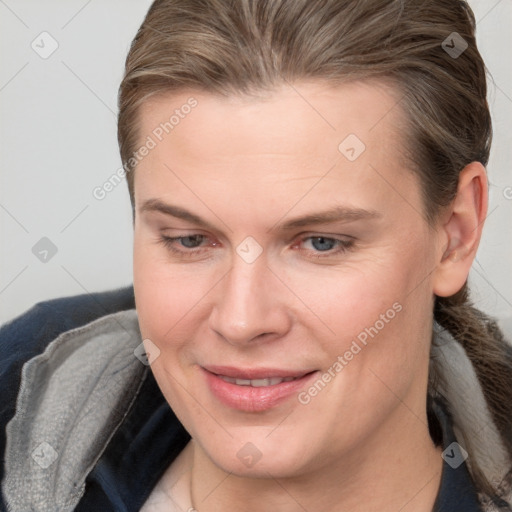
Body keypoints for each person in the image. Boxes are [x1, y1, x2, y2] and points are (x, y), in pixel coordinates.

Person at [1, 0, 512, 510]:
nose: (242, 321)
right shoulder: (17, 387)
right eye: (190, 239)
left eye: (320, 243)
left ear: (455, 233)